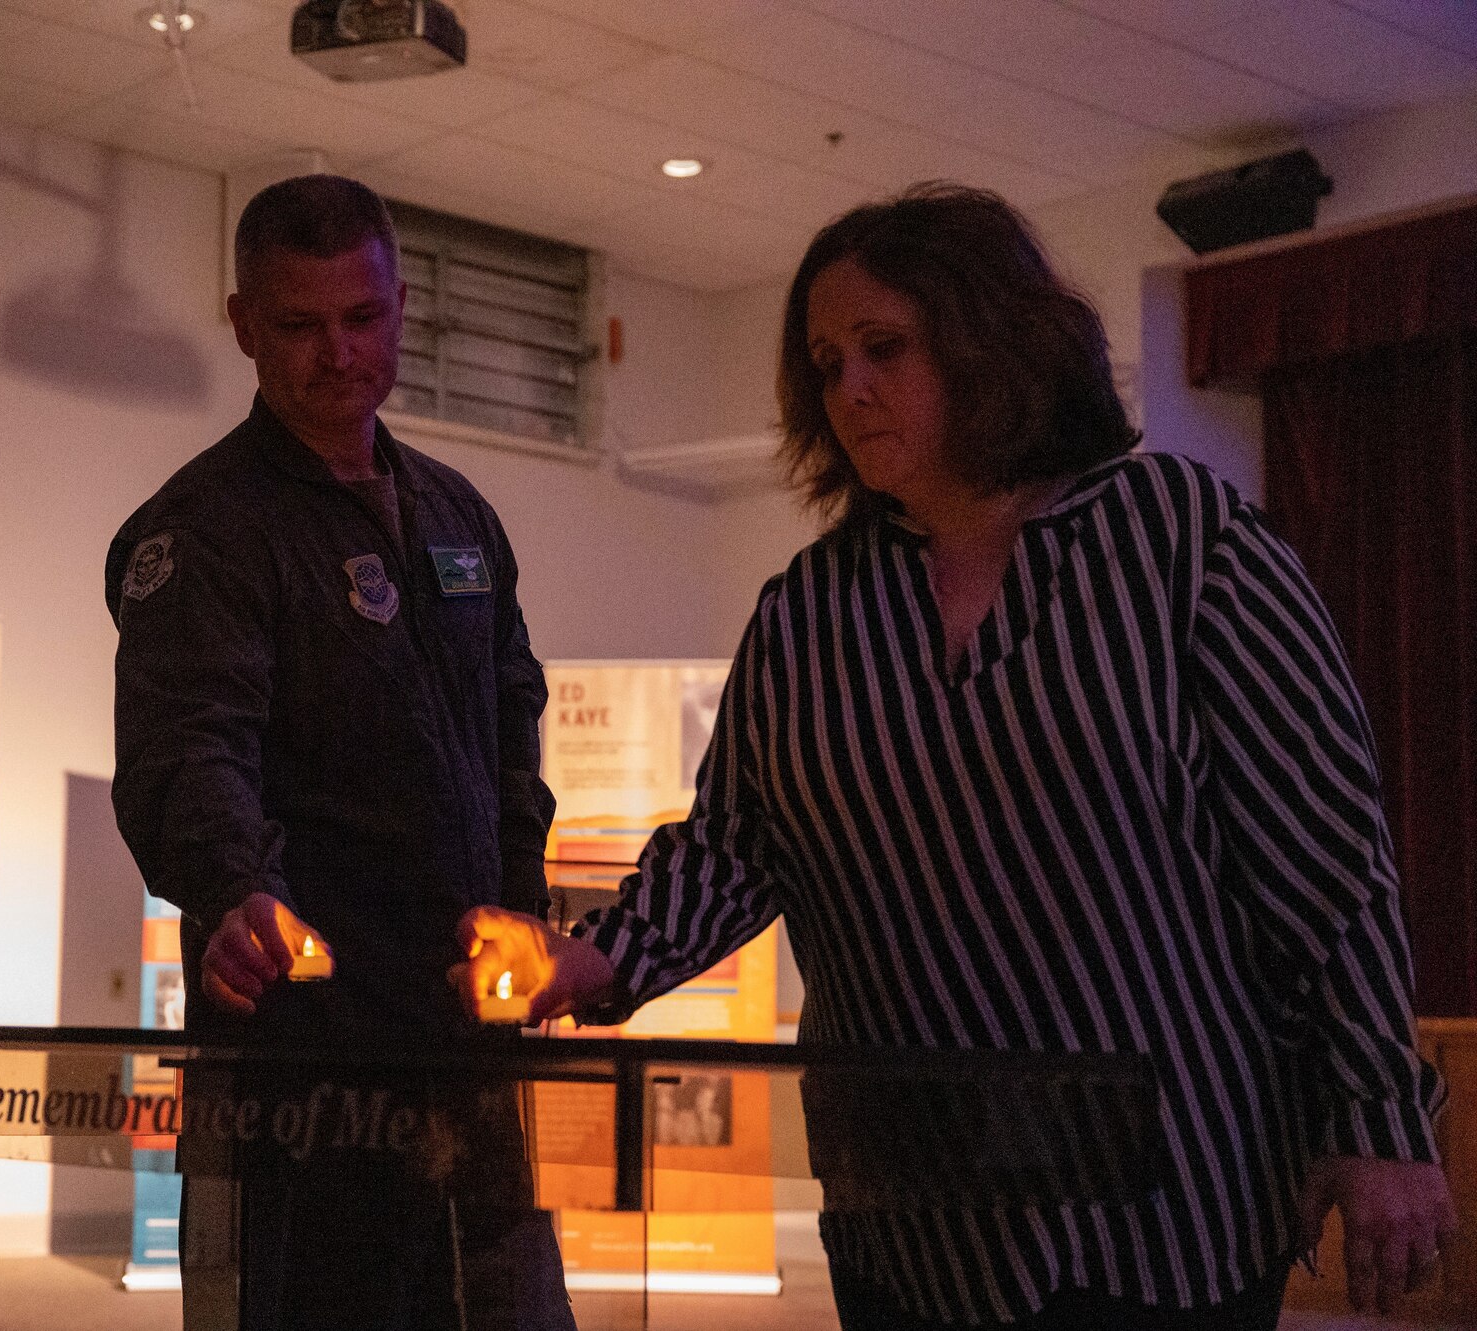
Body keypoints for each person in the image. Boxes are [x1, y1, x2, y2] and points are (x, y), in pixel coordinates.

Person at [455, 183, 1455, 1330]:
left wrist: (1377, 1119)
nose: (850, 390)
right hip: (910, 1207)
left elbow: (1327, 857)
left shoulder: (1181, 539)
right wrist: (585, 962)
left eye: (883, 347)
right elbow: (737, 846)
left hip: (1167, 1193)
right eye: (826, 364)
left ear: (992, 340)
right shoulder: (809, 608)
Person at [106, 174, 571, 1331]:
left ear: (401, 307)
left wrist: (523, 905)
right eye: (300, 325)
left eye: (361, 319)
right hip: (304, 1051)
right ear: (243, 325)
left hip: (464, 1032)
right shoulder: (203, 528)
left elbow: (512, 720)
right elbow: (190, 744)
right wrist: (235, 894)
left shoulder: (459, 515)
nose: (337, 352)